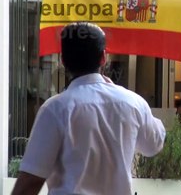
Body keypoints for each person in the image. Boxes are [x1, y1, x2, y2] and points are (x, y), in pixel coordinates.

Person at [12, 22, 166, 195]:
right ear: (103, 57)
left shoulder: (55, 109)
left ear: (63, 61)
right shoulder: (133, 103)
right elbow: (153, 145)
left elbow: (30, 181)